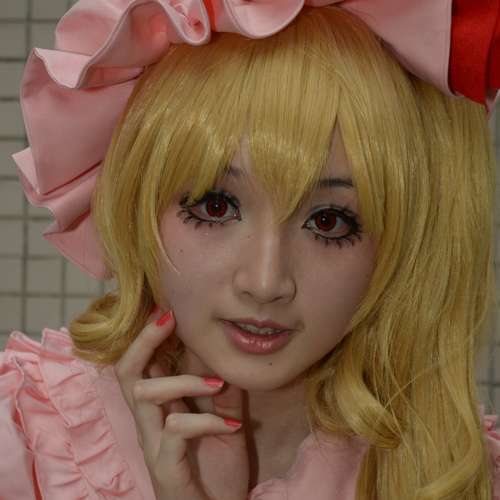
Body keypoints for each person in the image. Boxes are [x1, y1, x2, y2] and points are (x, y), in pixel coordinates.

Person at [1, 1, 499, 498]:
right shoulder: (25, 442)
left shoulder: (463, 479)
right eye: (216, 206)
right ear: (138, 201)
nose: (265, 283)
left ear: (403, 244)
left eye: (328, 222)